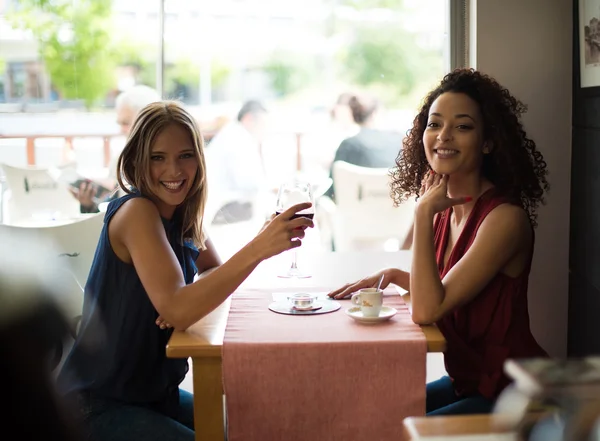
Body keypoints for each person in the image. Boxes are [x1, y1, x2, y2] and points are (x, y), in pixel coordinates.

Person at [56, 100, 314, 441]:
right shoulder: (137, 212)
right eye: (157, 158)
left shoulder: (181, 215)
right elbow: (181, 305)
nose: (174, 171)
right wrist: (257, 249)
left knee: (250, 427)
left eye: (185, 155)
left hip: (149, 395)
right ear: (136, 161)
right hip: (97, 404)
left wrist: (181, 301)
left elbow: (212, 272)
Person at [328, 68, 550, 415]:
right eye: (434, 124)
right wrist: (394, 274)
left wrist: (420, 212)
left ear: (488, 141)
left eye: (462, 126)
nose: (443, 136)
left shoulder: (504, 219)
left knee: (394, 431)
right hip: (473, 380)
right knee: (371, 416)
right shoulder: (444, 209)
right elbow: (444, 290)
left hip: (514, 392)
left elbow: (428, 309)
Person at [71, 85, 161, 213]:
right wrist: (89, 204)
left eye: (126, 123)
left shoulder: (163, 164)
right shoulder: (120, 159)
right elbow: (110, 212)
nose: (121, 130)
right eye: (120, 124)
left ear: (147, 122)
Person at [323, 92, 402, 200]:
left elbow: (332, 192)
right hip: (398, 212)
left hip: (353, 214)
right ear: (375, 113)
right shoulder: (399, 141)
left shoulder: (348, 146)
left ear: (353, 115)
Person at [205, 100, 270, 224]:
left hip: (223, 207)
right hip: (223, 210)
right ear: (248, 118)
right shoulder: (238, 138)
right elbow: (248, 183)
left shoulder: (234, 133)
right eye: (263, 123)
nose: (264, 130)